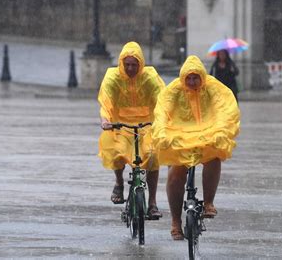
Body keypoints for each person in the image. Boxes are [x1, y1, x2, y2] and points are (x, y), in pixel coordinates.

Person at [152, 55, 240, 240]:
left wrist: (221, 130)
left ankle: (209, 202)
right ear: (183, 77)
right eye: (189, 78)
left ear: (202, 77)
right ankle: (176, 222)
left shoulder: (212, 87)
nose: (192, 82)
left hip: (207, 132)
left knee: (214, 157)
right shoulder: (174, 90)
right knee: (175, 175)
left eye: (195, 78)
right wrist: (161, 132)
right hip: (180, 135)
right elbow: (162, 111)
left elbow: (224, 108)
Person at [98, 41, 165, 219]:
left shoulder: (150, 77)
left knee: (152, 155)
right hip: (120, 125)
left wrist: (164, 120)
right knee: (117, 152)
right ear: (121, 63)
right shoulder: (113, 77)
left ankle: (152, 203)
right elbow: (106, 101)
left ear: (141, 64)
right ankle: (119, 183)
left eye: (134, 65)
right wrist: (106, 120)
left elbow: (162, 101)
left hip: (147, 125)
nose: (130, 68)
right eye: (126, 64)